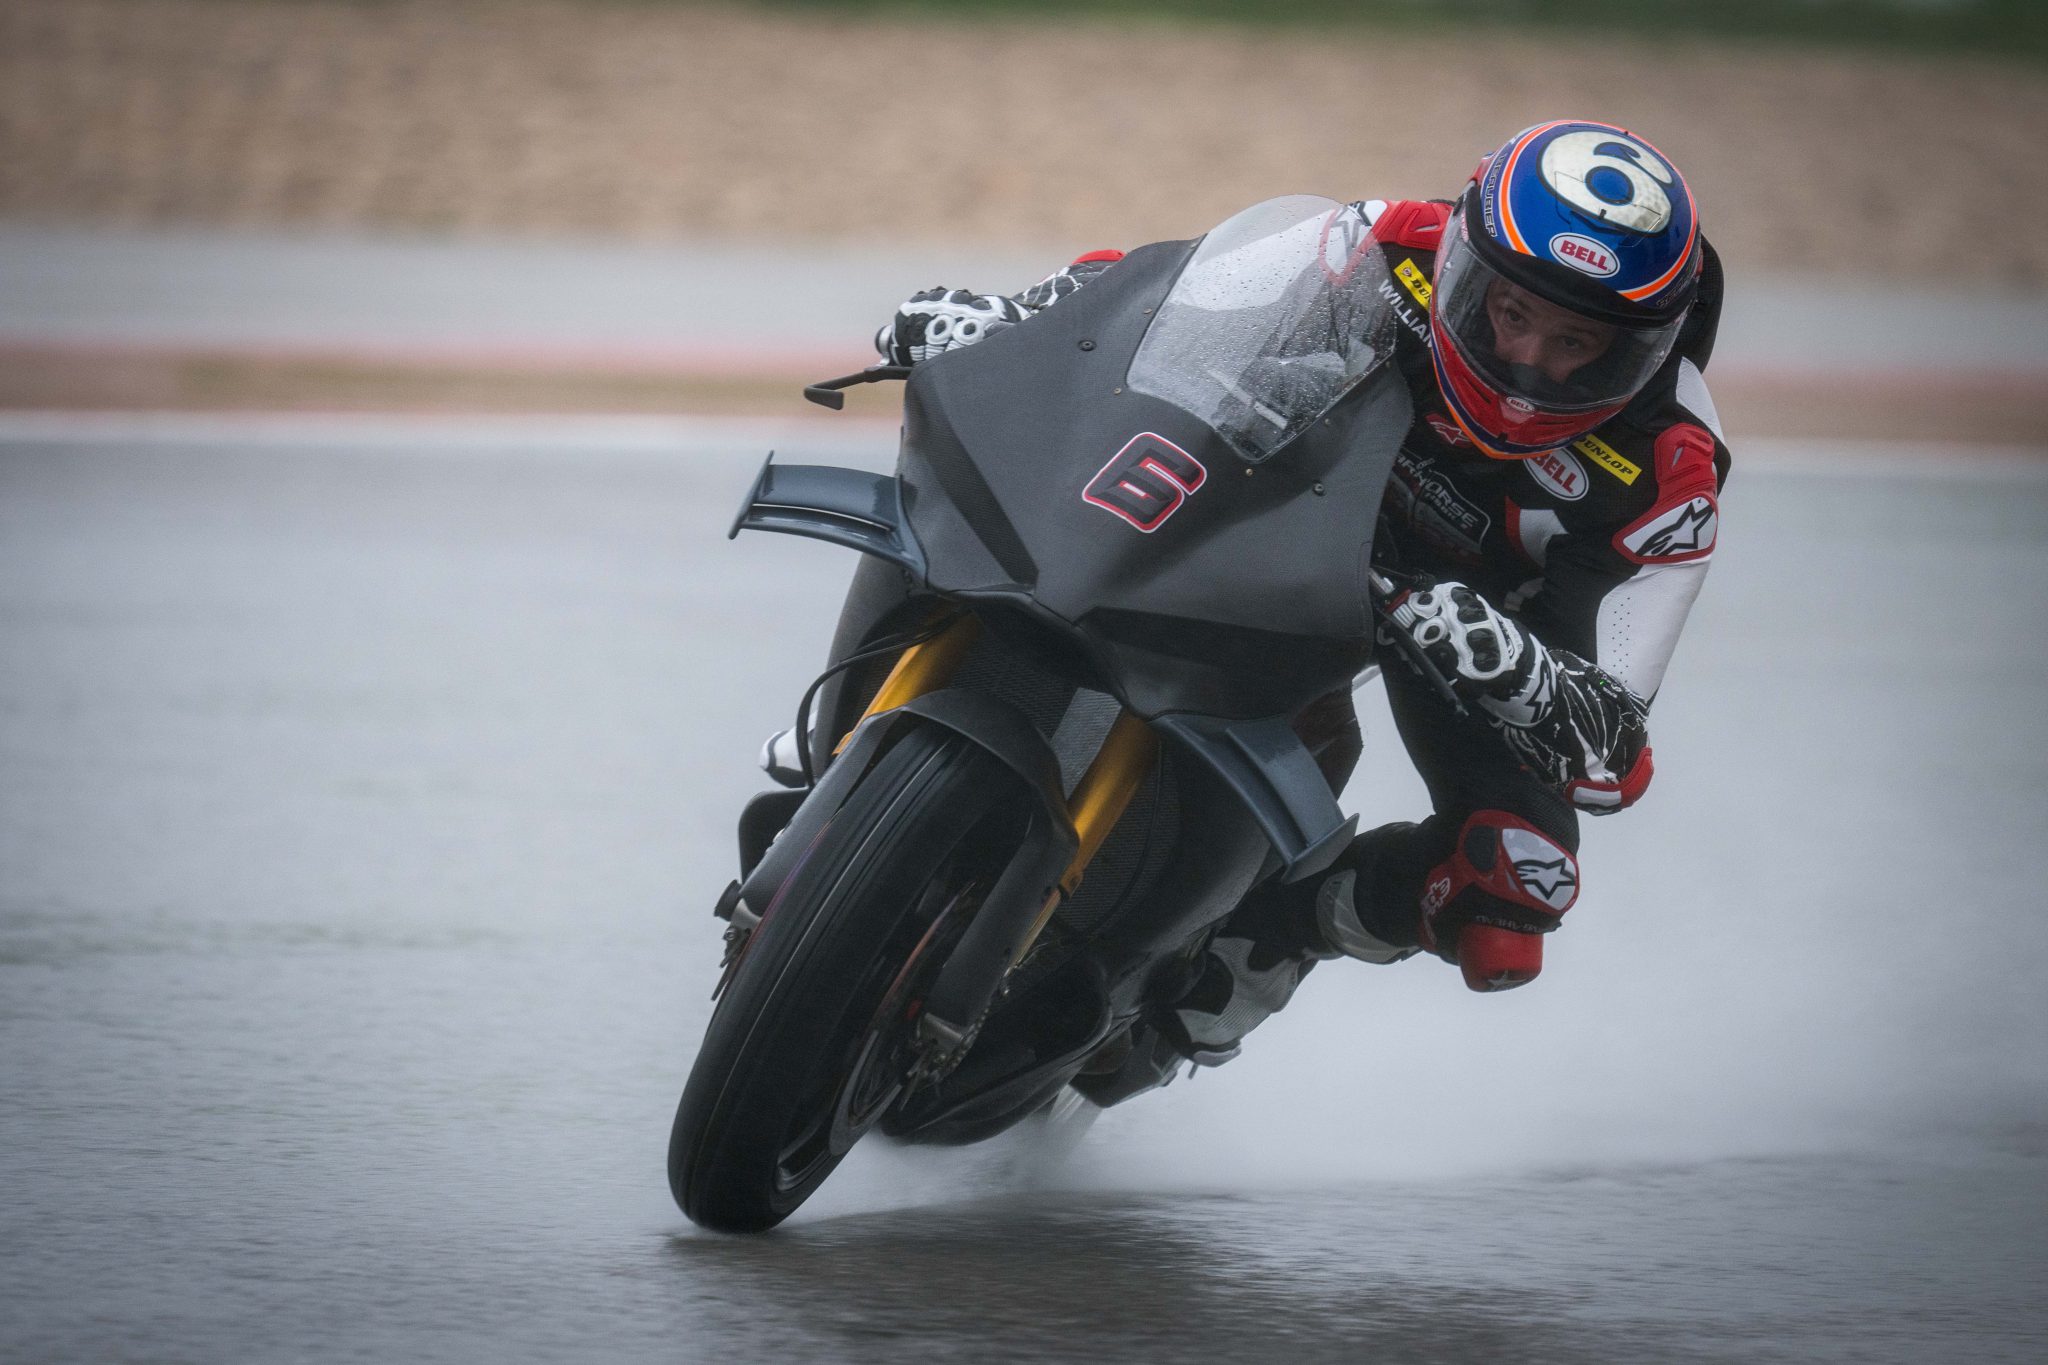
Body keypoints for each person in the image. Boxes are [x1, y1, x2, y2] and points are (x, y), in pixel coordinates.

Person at [854, 119, 1730, 1062]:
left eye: (1576, 342)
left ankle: (1240, 967)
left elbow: (1613, 747)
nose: (1527, 362)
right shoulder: (1386, 246)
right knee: (988, 451)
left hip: (1466, 625)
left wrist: (1506, 660)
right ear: (1464, 261)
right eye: (1510, 312)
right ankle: (856, 717)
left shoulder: (1669, 465)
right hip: (1282, 500)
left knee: (1519, 878)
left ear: (1641, 348)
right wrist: (1010, 321)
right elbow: (1147, 299)